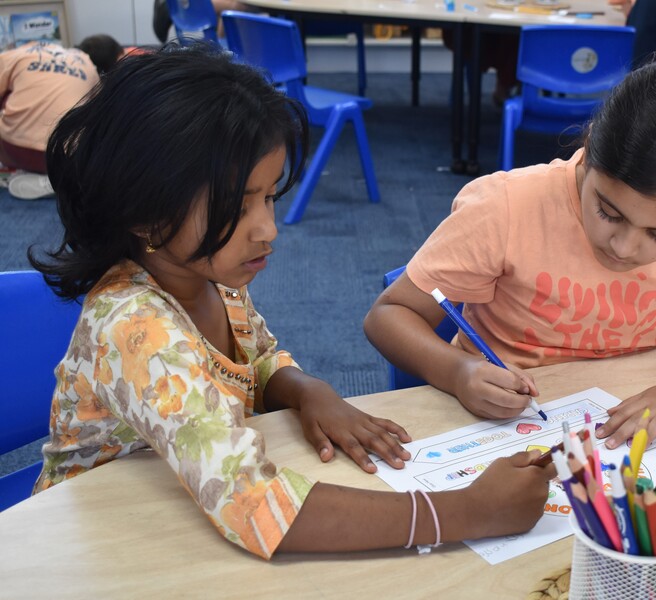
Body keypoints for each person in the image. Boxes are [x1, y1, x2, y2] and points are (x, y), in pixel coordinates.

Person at [28, 44, 555, 559]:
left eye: (270, 196)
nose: (268, 230)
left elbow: (251, 362)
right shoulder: (137, 326)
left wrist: (305, 388)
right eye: (239, 205)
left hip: (173, 505)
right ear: (144, 212)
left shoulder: (210, 275)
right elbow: (254, 506)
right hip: (92, 543)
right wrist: (466, 511)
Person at [364, 59, 656, 452]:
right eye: (609, 213)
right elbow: (389, 315)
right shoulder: (506, 207)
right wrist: (458, 371)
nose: (625, 248)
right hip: (501, 424)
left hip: (627, 424)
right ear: (589, 150)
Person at [0, 41, 99, 200]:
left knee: (7, 96)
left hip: (17, 149)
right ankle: (59, 178)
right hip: (68, 155)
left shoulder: (12, 56)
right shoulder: (85, 60)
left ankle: (18, 170)